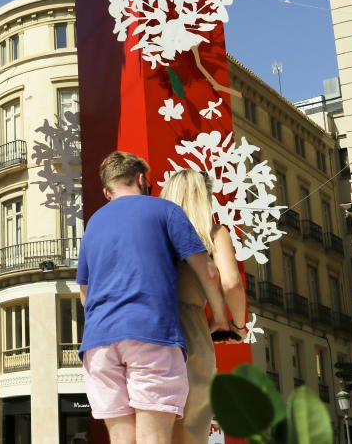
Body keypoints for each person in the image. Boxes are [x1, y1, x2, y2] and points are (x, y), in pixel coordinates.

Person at [76, 152, 229, 444]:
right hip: (150, 335)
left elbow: (84, 291)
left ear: (107, 191)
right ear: (142, 179)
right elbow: (208, 271)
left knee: (122, 440)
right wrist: (221, 319)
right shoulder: (165, 211)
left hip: (98, 344)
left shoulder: (93, 224)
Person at [161, 169, 247, 444]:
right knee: (193, 424)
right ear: (205, 197)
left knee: (156, 425)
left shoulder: (157, 231)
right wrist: (237, 325)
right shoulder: (212, 232)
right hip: (191, 327)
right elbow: (231, 283)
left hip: (150, 326)